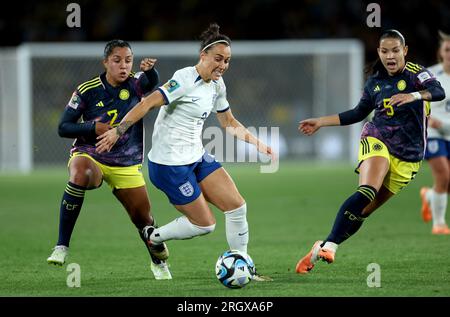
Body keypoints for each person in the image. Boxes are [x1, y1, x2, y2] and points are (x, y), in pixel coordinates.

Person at [96, 23, 274, 281]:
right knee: (206, 225)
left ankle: (244, 266)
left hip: (196, 157)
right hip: (169, 166)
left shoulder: (217, 85)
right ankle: (152, 236)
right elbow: (147, 104)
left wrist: (258, 144)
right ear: (203, 56)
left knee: (237, 207)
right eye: (218, 59)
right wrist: (117, 131)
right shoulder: (183, 79)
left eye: (227, 61)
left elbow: (229, 123)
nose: (223, 65)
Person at [295, 29, 445, 274]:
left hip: (409, 157)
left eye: (395, 50)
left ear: (404, 51)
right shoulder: (375, 83)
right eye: (385, 51)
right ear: (379, 53)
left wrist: (413, 96)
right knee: (366, 191)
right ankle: (330, 246)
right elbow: (357, 113)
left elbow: (439, 92)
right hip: (378, 139)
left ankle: (322, 246)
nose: (390, 56)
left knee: (363, 210)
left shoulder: (418, 74)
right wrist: (321, 121)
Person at [46, 39, 172, 280]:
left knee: (143, 219)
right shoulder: (87, 89)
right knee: (80, 172)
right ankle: (61, 246)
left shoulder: (136, 83)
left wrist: (149, 70)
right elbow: (63, 127)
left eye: (128, 60)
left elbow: (151, 82)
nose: (123, 66)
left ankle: (158, 262)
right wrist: (93, 128)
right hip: (92, 155)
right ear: (105, 62)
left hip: (126, 162)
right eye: (117, 61)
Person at [419, 30, 450, 235]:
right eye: (447, 49)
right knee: (443, 175)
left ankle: (430, 196)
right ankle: (439, 224)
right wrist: (428, 120)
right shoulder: (429, 75)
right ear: (440, 53)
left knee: (447, 184)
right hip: (433, 133)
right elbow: (415, 101)